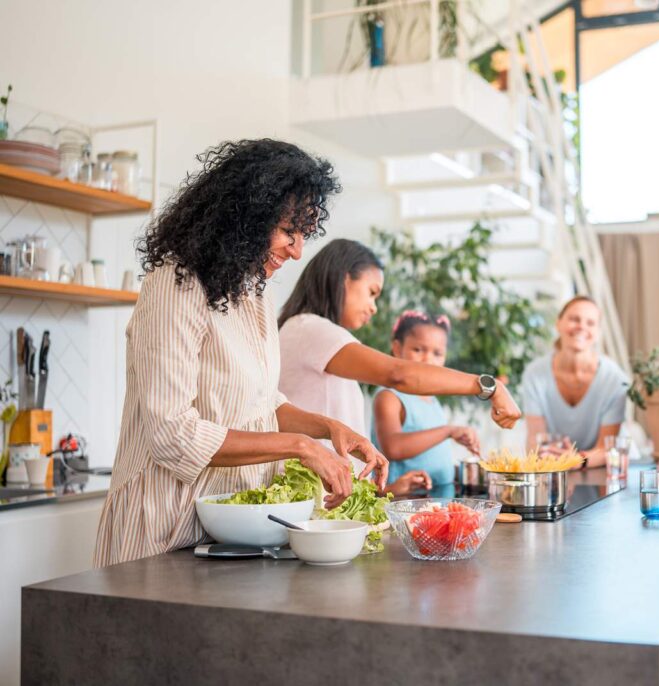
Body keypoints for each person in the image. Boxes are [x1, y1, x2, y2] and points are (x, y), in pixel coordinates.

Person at [94, 140, 387, 567]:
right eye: (290, 231)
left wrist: (330, 429)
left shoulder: (252, 296)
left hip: (230, 534)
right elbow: (173, 436)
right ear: (246, 217)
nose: (298, 250)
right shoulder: (175, 284)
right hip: (160, 533)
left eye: (304, 234)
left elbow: (262, 406)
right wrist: (301, 446)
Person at [277, 239, 521, 494]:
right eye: (372, 292)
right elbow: (398, 374)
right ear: (344, 279)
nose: (374, 307)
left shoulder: (316, 334)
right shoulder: (310, 329)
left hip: (328, 500)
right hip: (311, 499)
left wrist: (384, 490)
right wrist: (489, 387)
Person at [371, 311, 481, 491]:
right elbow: (393, 447)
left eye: (437, 353)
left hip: (437, 496)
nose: (428, 359)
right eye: (418, 350)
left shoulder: (431, 399)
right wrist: (448, 431)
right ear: (397, 349)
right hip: (404, 501)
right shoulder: (389, 396)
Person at [521, 296, 629, 469]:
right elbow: (535, 439)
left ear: (598, 332)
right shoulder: (534, 374)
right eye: (574, 319)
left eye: (590, 323)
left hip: (606, 469)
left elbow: (607, 448)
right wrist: (547, 458)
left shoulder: (615, 379)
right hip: (558, 467)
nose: (581, 327)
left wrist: (575, 459)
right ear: (558, 324)